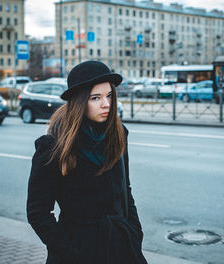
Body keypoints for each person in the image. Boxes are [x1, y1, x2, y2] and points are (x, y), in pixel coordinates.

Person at [27, 61, 147, 264]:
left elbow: (125, 190)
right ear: (80, 101)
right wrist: (69, 252)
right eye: (96, 98)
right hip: (77, 249)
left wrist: (135, 234)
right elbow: (38, 213)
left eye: (109, 95)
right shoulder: (53, 146)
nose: (106, 104)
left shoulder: (118, 134)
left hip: (121, 246)